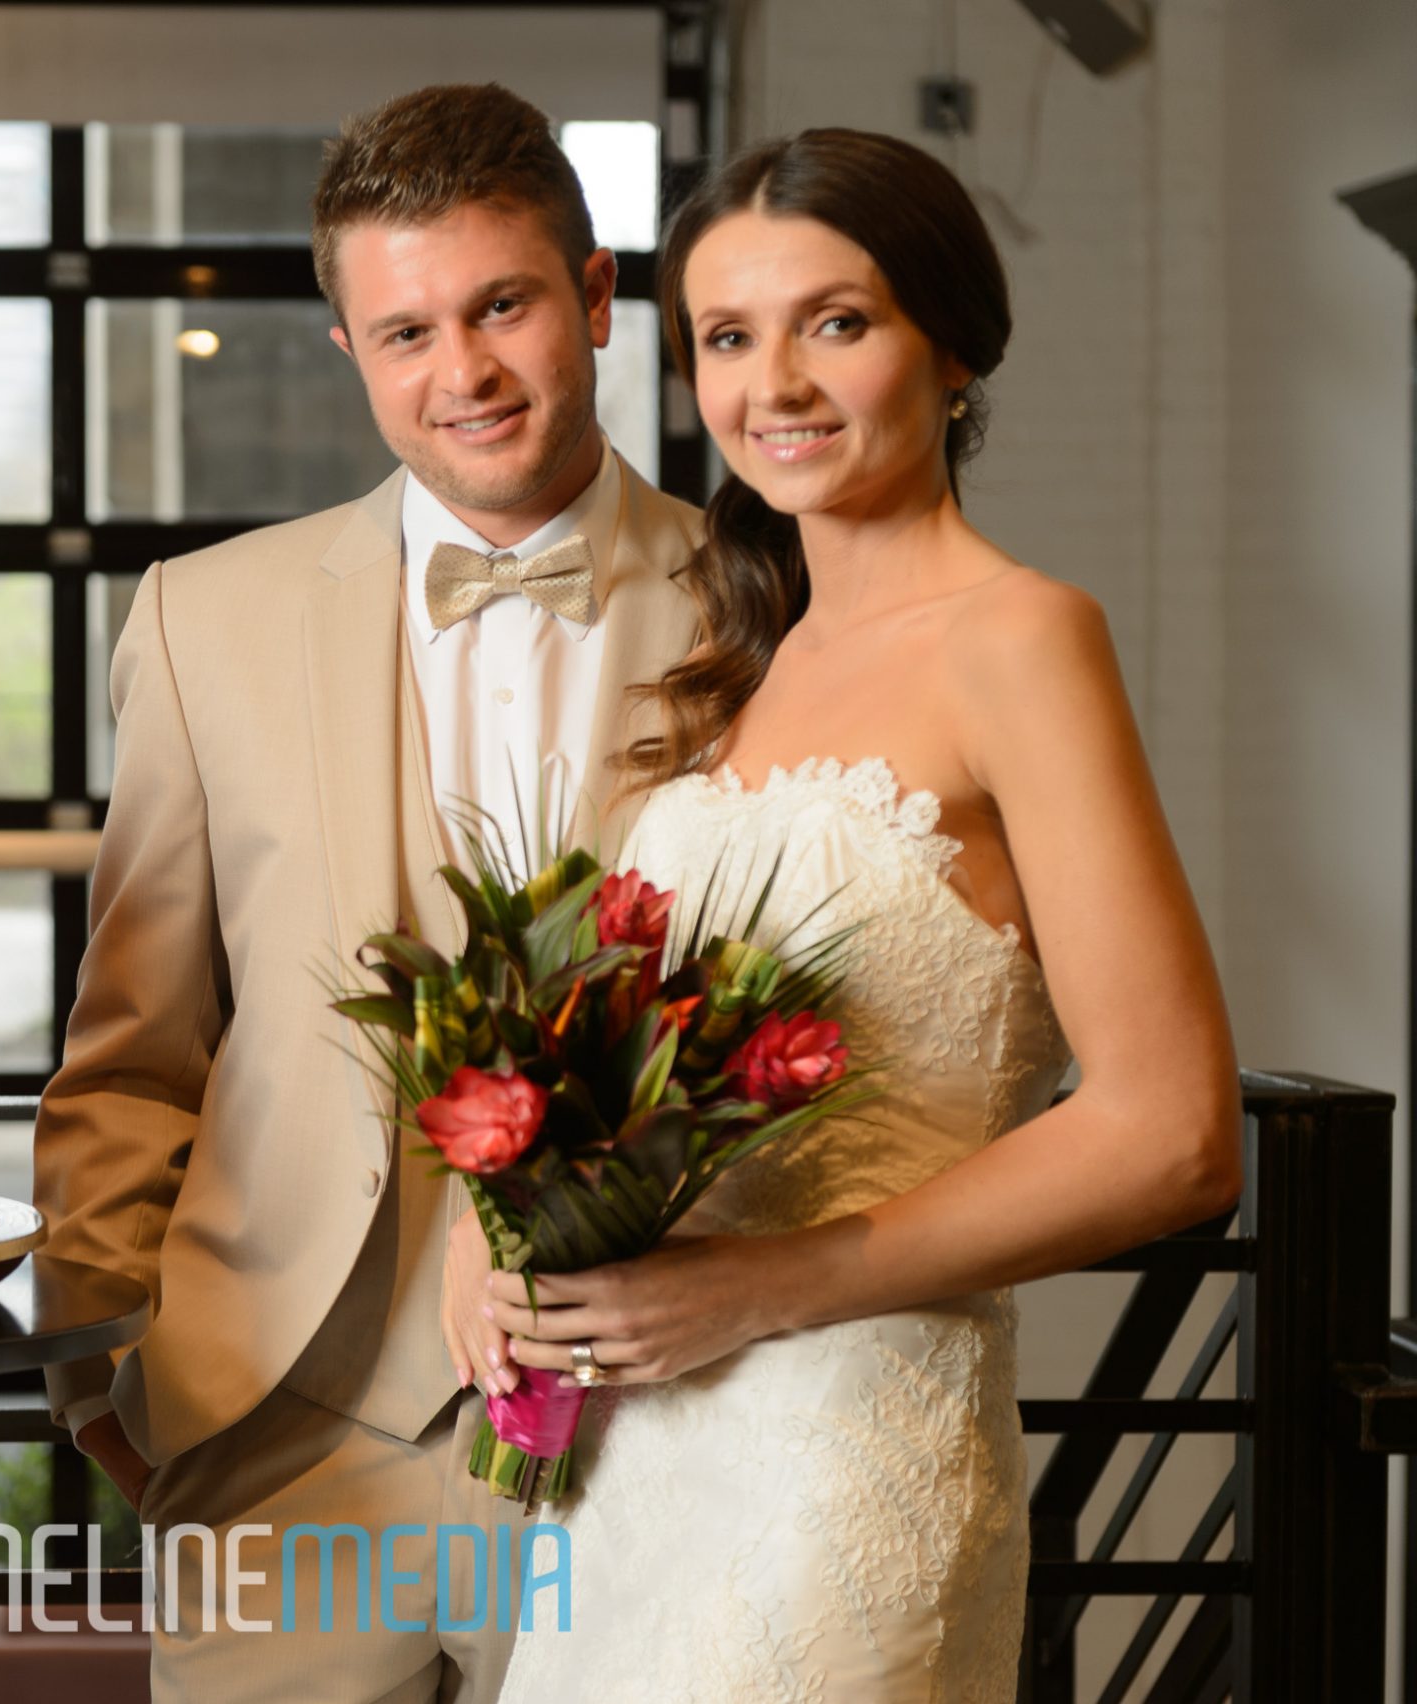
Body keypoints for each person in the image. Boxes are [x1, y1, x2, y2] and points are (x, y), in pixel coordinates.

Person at [472, 128, 1243, 1698]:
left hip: (847, 1452)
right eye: (728, 339)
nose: (777, 388)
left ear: (952, 346)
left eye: (838, 322)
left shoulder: (1025, 638)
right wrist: (509, 1248)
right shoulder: (737, 660)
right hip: (638, 1465)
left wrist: (765, 1285)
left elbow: (1173, 1132)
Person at [33, 84, 703, 1701]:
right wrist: (107, 1375)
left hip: (664, 1439)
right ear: (347, 350)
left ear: (598, 296)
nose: (459, 373)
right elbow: (134, 1038)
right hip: (283, 1439)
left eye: (503, 307)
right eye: (402, 332)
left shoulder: (767, 599)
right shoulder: (207, 619)